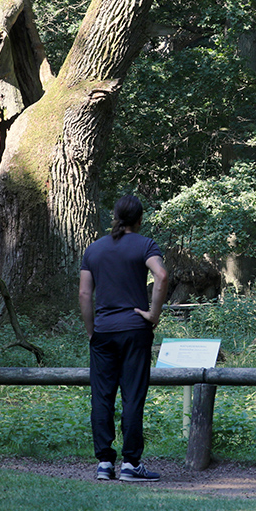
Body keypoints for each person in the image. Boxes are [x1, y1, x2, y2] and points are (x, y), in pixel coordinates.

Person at [80, 195, 169, 483]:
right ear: (140, 219)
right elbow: (162, 275)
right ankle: (131, 464)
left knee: (102, 396)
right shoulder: (145, 245)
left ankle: (104, 463)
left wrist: (92, 329)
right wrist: (152, 315)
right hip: (134, 330)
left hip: (103, 331)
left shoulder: (93, 250)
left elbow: (84, 294)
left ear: (115, 217)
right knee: (133, 395)